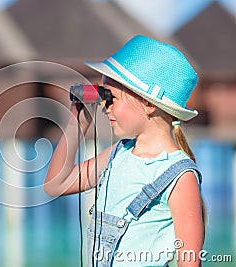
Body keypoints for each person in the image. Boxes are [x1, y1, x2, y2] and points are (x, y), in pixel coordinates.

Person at [44, 35, 205, 267]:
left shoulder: (179, 176)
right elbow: (55, 185)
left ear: (149, 104)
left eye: (112, 98)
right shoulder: (117, 155)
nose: (104, 107)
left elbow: (189, 261)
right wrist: (77, 125)